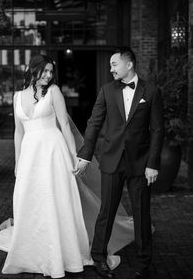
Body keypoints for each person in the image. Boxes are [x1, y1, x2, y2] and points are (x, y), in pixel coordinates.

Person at [0, 54, 135, 278]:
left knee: (57, 198)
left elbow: (64, 124)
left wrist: (74, 155)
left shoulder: (54, 92)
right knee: (28, 198)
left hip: (54, 153)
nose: (48, 75)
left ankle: (63, 250)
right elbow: (18, 132)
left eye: (50, 72)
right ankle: (35, 247)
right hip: (29, 156)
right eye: (44, 71)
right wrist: (17, 161)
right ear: (31, 70)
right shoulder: (17, 97)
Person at [75, 47, 164, 279]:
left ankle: (144, 262)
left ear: (129, 64)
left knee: (141, 213)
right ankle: (99, 258)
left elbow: (157, 130)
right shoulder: (106, 91)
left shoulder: (151, 91)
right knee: (106, 212)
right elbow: (94, 123)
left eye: (114, 64)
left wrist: (153, 163)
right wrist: (85, 155)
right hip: (111, 160)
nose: (111, 68)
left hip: (141, 163)